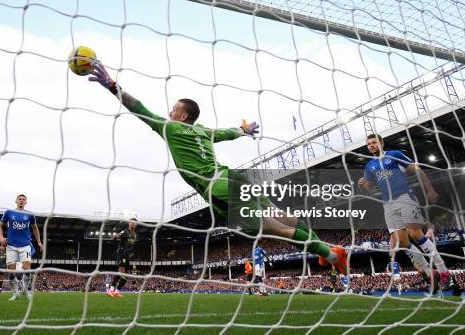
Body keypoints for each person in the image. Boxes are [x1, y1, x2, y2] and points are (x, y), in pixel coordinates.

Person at [89, 61, 347, 274]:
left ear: (183, 116)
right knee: (282, 215)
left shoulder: (170, 128)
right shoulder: (202, 130)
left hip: (218, 188)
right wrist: (244, 130)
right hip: (235, 177)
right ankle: (327, 248)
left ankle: (331, 255)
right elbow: (227, 133)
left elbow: (138, 108)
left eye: (174, 109)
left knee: (276, 229)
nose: (170, 111)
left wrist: (112, 86)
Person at [358, 134, 451, 292]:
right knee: (403, 243)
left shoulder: (394, 155)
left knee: (414, 233)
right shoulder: (369, 166)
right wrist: (362, 185)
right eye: (368, 144)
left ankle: (443, 271)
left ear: (381, 142)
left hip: (404, 197)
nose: (371, 145)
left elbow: (417, 170)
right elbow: (369, 189)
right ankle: (429, 274)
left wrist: (430, 190)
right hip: (387, 204)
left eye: (374, 142)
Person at [0, 194, 43, 301]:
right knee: (11, 272)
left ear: (26, 202)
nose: (21, 200)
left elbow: (35, 228)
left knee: (27, 269)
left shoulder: (30, 215)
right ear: (16, 201)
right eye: (20, 199)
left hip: (25, 245)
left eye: (23, 199)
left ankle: (25, 291)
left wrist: (39, 242)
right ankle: (16, 294)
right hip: (11, 246)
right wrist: (1, 237)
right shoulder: (9, 212)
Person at [107, 218, 138, 298]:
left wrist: (131, 254)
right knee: (121, 271)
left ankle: (117, 292)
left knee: (125, 275)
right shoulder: (125, 231)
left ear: (136, 224)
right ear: (128, 224)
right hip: (121, 254)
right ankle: (110, 290)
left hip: (127, 256)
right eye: (131, 222)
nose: (132, 224)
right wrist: (115, 236)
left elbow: (131, 246)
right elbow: (117, 236)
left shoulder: (135, 234)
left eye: (134, 223)